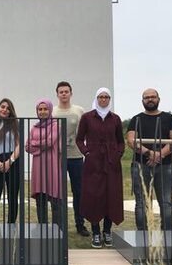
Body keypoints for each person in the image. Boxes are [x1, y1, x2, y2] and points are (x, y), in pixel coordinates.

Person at [76, 87, 124, 248]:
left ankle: (107, 231)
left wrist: (118, 154)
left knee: (111, 196)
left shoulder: (115, 119)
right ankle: (95, 232)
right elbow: (79, 139)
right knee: (94, 197)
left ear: (109, 99)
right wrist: (87, 153)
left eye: (106, 97)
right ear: (96, 98)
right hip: (93, 164)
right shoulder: (87, 117)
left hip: (111, 164)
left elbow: (120, 141)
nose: (103, 100)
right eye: (101, 97)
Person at [126, 88, 172, 231]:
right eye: (147, 97)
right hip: (141, 165)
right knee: (142, 202)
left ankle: (167, 236)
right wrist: (149, 153)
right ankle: (143, 235)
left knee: (166, 202)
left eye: (153, 97)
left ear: (158, 99)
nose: (150, 99)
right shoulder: (136, 119)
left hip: (165, 166)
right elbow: (131, 140)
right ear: (142, 101)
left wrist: (160, 154)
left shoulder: (169, 118)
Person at [53, 81, 89, 236]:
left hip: (75, 157)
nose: (64, 94)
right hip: (58, 157)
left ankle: (80, 224)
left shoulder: (79, 110)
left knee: (78, 192)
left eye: (66, 91)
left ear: (71, 93)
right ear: (57, 94)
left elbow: (85, 132)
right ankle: (58, 225)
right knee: (58, 192)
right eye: (61, 92)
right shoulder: (52, 112)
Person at [25, 99, 62, 226]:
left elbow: (50, 141)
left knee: (55, 199)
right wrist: (39, 145)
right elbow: (27, 147)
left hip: (52, 166)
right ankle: (43, 228)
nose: (42, 112)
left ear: (50, 110)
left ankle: (57, 229)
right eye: (40, 109)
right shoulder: (34, 128)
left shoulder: (55, 125)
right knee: (41, 200)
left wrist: (35, 144)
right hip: (38, 168)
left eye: (45, 109)